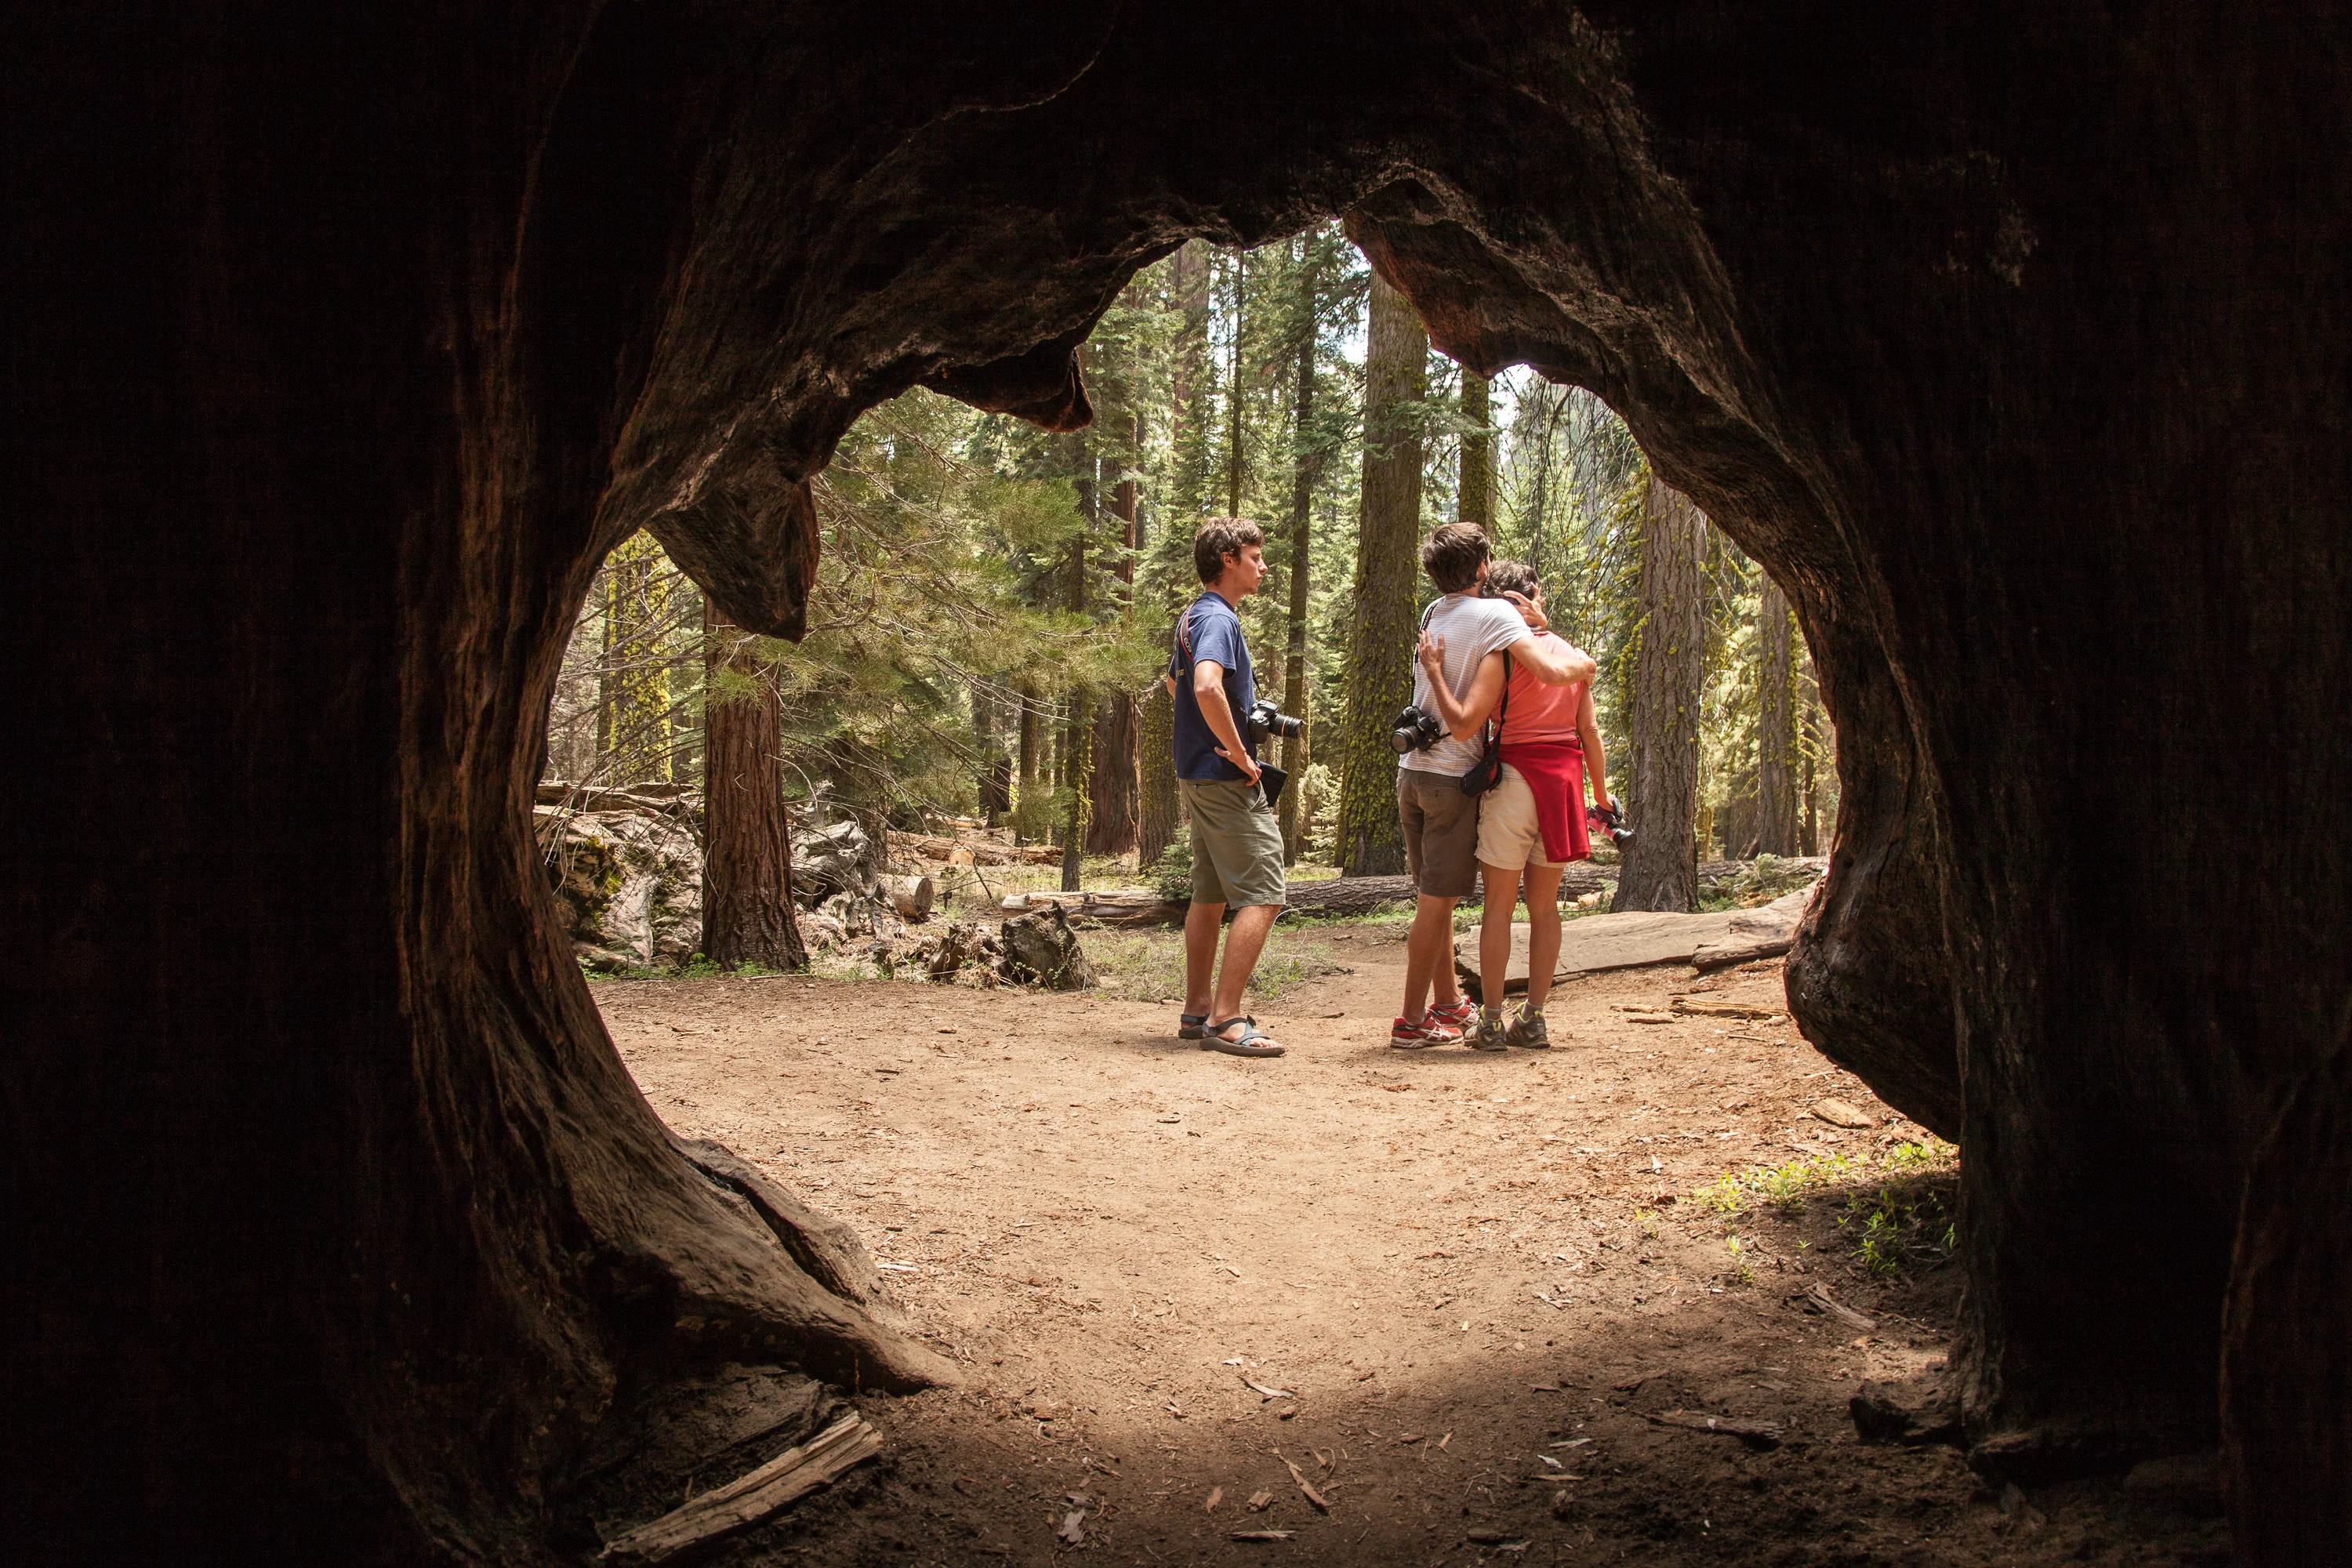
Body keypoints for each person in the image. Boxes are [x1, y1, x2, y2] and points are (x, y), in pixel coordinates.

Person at [1391, 525, 1596, 1049]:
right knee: (1457, 904)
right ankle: (1435, 1022)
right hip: (1498, 780)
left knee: (1456, 901)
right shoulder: (1505, 623)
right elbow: (1560, 691)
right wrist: (1588, 663)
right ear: (1482, 570)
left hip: (1436, 774)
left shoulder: (1435, 615)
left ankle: (1464, 1011)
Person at [1163, 517, 1287, 1058]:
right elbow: (1205, 683)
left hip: (1196, 773)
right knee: (1264, 893)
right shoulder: (1219, 619)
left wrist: (1204, 732)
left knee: (1211, 894)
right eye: (1256, 558)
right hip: (1223, 777)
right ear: (1229, 559)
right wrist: (1237, 751)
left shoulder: (1194, 614)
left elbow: (1174, 683)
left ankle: (1197, 1009)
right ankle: (1227, 1019)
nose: (1263, 567)